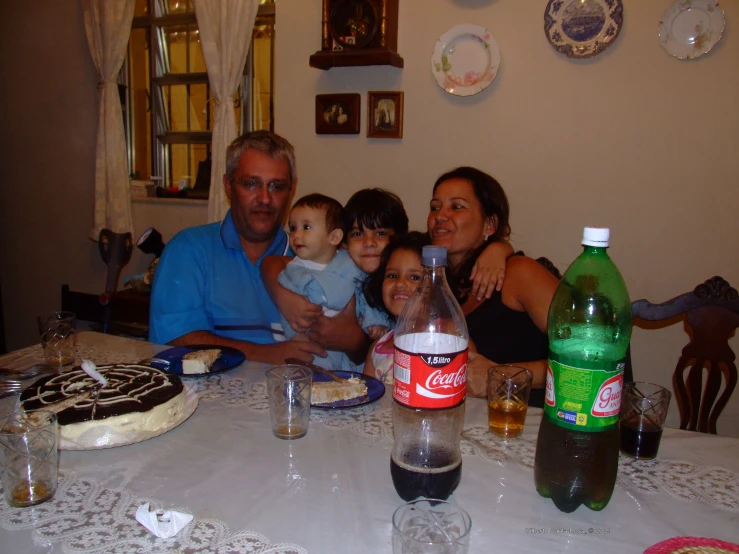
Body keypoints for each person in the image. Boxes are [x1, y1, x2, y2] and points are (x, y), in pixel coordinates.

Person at [148, 130, 327, 365]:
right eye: (251, 184)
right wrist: (264, 355)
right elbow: (174, 342)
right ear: (228, 186)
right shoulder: (189, 251)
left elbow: (346, 340)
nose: (264, 198)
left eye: (276, 186)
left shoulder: (312, 256)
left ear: (291, 190)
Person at [428, 166, 559, 404]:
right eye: (435, 207)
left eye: (456, 207)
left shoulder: (519, 272)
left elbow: (588, 356)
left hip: (531, 423)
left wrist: (501, 376)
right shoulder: (439, 283)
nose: (440, 216)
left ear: (489, 225)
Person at [261, 188, 410, 363]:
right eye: (357, 234)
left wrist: (356, 338)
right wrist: (284, 298)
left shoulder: (404, 283)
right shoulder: (342, 265)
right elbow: (273, 264)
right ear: (342, 241)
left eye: (380, 233)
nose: (369, 242)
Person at [363, 232, 428, 383]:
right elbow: (366, 397)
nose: (399, 283)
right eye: (392, 276)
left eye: (414, 277)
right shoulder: (377, 348)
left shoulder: (450, 340)